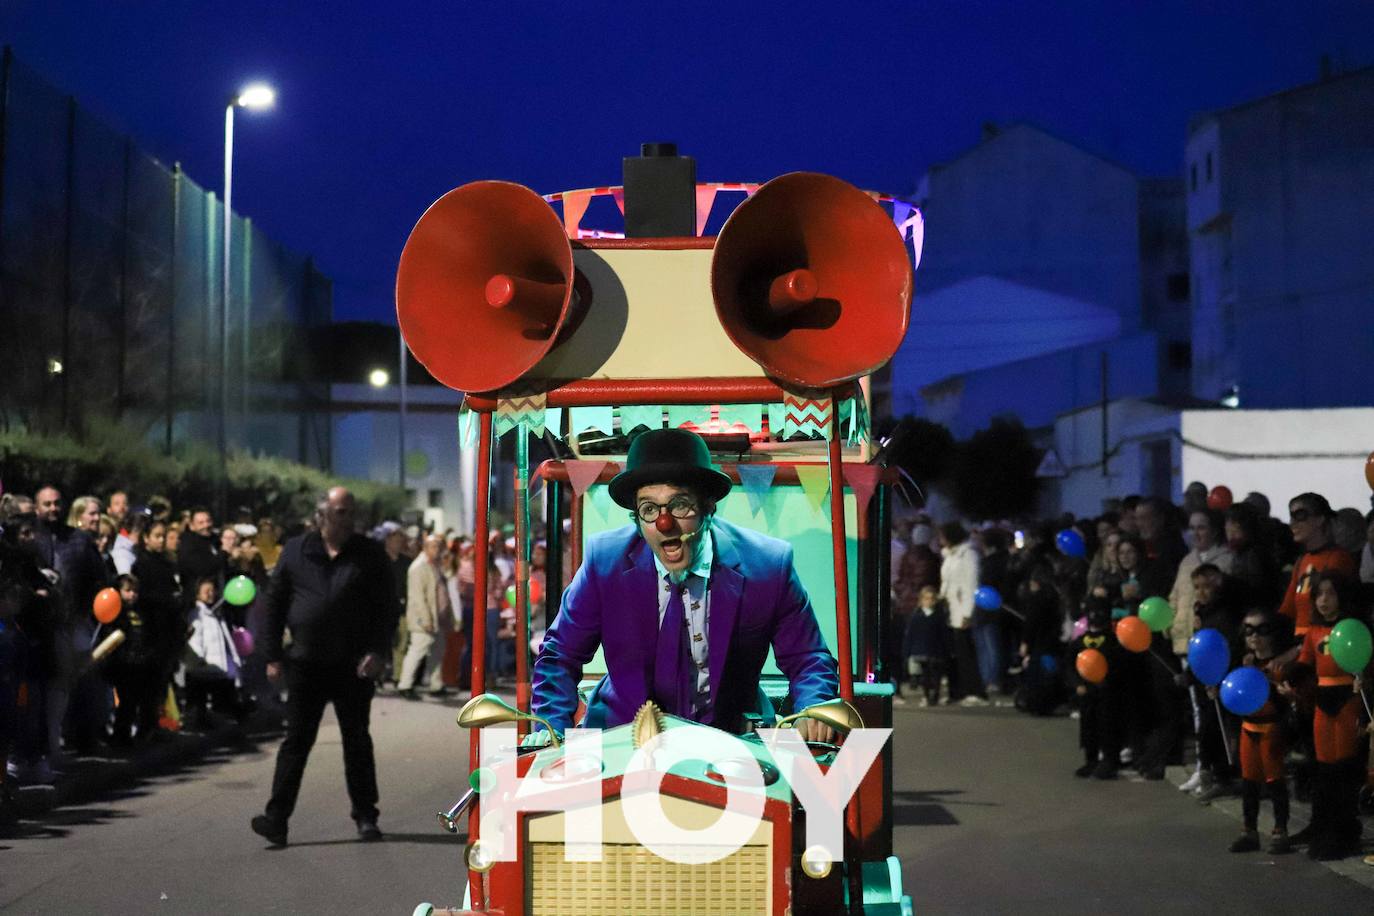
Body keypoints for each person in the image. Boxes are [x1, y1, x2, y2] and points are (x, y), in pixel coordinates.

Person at [530, 428, 839, 743]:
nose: (665, 524)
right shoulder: (604, 562)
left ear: (708, 507)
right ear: (636, 518)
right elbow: (559, 657)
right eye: (649, 509)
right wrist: (550, 730)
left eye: (680, 505)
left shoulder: (768, 564)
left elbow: (808, 658)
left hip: (729, 742)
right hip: (623, 741)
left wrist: (814, 710)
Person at [252, 487, 398, 847]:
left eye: (350, 512)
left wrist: (379, 651)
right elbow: (275, 604)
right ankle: (277, 819)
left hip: (353, 665)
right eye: (339, 513)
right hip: (306, 663)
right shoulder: (297, 551)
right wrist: (272, 655)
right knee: (296, 741)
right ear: (322, 516)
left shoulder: (369, 554)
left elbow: (387, 608)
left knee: (356, 740)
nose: (347, 520)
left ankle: (366, 815)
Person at [1280, 572, 1366, 859]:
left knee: (1342, 768)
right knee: (1323, 768)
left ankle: (1343, 832)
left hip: (1348, 700)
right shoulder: (1314, 632)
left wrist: (1364, 680)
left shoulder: (1356, 628)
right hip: (1322, 702)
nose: (1324, 600)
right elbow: (1305, 662)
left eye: (1330, 593)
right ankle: (1322, 825)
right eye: (1319, 594)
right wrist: (1286, 675)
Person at [1227, 607, 1293, 854]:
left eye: (1261, 630)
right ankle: (1249, 830)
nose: (1254, 636)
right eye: (1249, 630)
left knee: (1275, 780)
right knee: (1249, 782)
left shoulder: (1278, 664)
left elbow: (1285, 698)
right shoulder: (1244, 663)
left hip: (1271, 727)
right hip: (1248, 727)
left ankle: (1280, 830)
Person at [183, 577, 244, 730]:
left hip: (221, 667)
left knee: (224, 699)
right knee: (207, 700)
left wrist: (235, 660)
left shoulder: (216, 613)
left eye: (213, 590)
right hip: (208, 667)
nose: (211, 594)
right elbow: (196, 641)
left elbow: (226, 639)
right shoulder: (197, 615)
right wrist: (200, 661)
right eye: (206, 591)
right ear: (198, 595)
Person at [397, 534, 453, 699]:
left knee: (437, 651)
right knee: (417, 650)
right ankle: (405, 684)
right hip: (424, 619)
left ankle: (436, 684)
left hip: (438, 617)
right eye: (434, 546)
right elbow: (418, 598)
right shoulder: (418, 567)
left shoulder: (434, 565)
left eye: (439, 547)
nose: (437, 550)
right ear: (425, 548)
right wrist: (426, 619)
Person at [939, 521, 986, 707]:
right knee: (952, 654)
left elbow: (971, 584)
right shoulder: (950, 556)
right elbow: (947, 581)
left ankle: (974, 690)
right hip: (949, 608)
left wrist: (968, 612)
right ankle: (956, 690)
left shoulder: (968, 555)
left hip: (961, 611)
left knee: (966, 653)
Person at [902, 585, 949, 707]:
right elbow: (910, 635)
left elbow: (944, 634)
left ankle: (936, 695)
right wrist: (907, 652)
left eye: (932, 598)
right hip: (921, 651)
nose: (929, 601)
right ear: (921, 600)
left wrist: (948, 649)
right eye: (926, 598)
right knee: (925, 675)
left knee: (936, 675)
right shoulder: (916, 617)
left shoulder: (939, 616)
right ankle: (927, 696)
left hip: (936, 651)